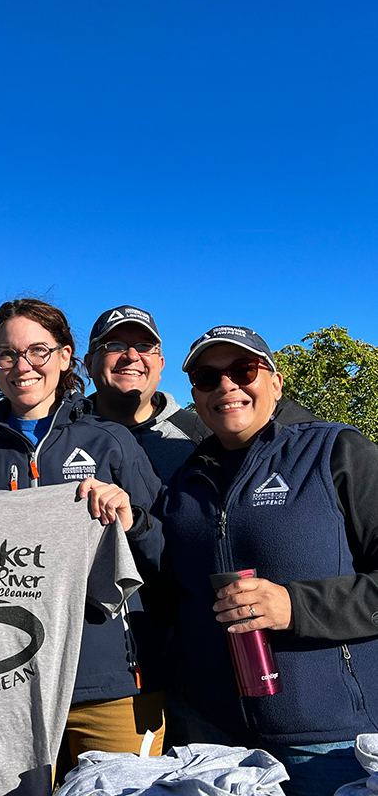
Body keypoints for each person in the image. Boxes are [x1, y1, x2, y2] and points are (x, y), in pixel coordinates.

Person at [156, 324, 378, 796]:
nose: (226, 386)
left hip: (329, 743)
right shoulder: (183, 482)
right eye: (207, 377)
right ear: (195, 394)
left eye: (243, 369)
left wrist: (296, 607)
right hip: (214, 742)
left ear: (275, 382)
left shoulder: (336, 450)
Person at [0, 298, 166, 763]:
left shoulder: (110, 440)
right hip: (4, 684)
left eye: (38, 351)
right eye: (7, 354)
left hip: (110, 684)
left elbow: (170, 552)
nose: (22, 366)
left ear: (65, 357)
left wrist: (133, 521)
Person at [84, 305, 209, 481]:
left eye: (145, 347)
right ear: (89, 364)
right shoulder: (59, 436)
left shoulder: (202, 435)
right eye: (115, 345)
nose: (132, 356)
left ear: (161, 365)